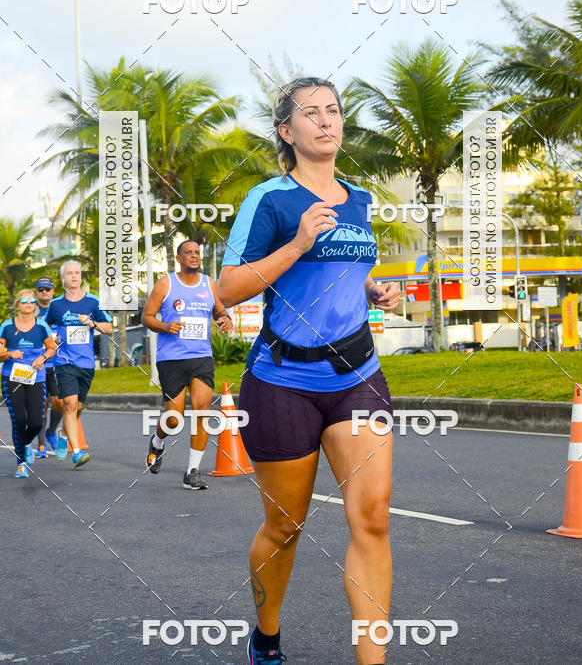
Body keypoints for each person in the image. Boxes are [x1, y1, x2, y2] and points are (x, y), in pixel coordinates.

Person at [219, 77, 400, 665]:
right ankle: (266, 635)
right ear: (286, 131)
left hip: (356, 374)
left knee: (371, 519)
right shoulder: (269, 200)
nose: (326, 121)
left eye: (333, 111)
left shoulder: (362, 198)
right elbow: (229, 289)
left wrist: (375, 289)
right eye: (310, 113)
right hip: (282, 381)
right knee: (284, 526)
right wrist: (296, 244)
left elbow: (342, 279)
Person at [142, 240, 233, 489]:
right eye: (188, 253)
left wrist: (224, 318)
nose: (194, 256)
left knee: (203, 411)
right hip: (171, 359)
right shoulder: (166, 283)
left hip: (201, 357)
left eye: (196, 253)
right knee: (174, 419)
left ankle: (192, 471)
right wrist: (164, 326)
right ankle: (158, 441)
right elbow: (146, 316)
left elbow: (219, 310)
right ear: (179, 258)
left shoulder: (209, 283)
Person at [45, 260, 113, 467]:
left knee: (79, 407)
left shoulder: (93, 302)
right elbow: (46, 328)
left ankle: (64, 433)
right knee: (70, 404)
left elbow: (109, 328)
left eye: (77, 273)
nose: (74, 276)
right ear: (63, 278)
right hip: (64, 361)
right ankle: (76, 452)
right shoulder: (56, 305)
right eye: (69, 273)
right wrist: (53, 339)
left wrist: (92, 323)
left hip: (86, 362)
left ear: (80, 277)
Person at [0, 289, 57, 477]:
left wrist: (42, 357)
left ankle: (23, 443)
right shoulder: (7, 326)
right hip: (11, 378)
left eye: (32, 301)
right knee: (19, 420)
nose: (29, 303)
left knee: (36, 422)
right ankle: (21, 462)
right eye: (24, 300)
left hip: (36, 378)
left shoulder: (41, 326)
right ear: (18, 304)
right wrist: (8, 354)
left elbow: (51, 348)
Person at [33, 277, 63, 457]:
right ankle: (41, 444)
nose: (44, 292)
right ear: (36, 292)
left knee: (59, 403)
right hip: (39, 364)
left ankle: (52, 431)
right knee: (41, 406)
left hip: (57, 364)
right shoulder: (31, 310)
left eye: (47, 289)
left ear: (53, 291)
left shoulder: (60, 309)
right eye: (40, 289)